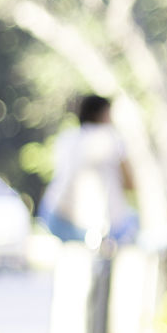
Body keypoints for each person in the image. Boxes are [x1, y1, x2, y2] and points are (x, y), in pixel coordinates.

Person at [39, 94, 138, 247]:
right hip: (94, 225)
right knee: (133, 222)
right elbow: (131, 184)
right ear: (103, 114)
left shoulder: (65, 138)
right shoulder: (111, 139)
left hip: (53, 214)